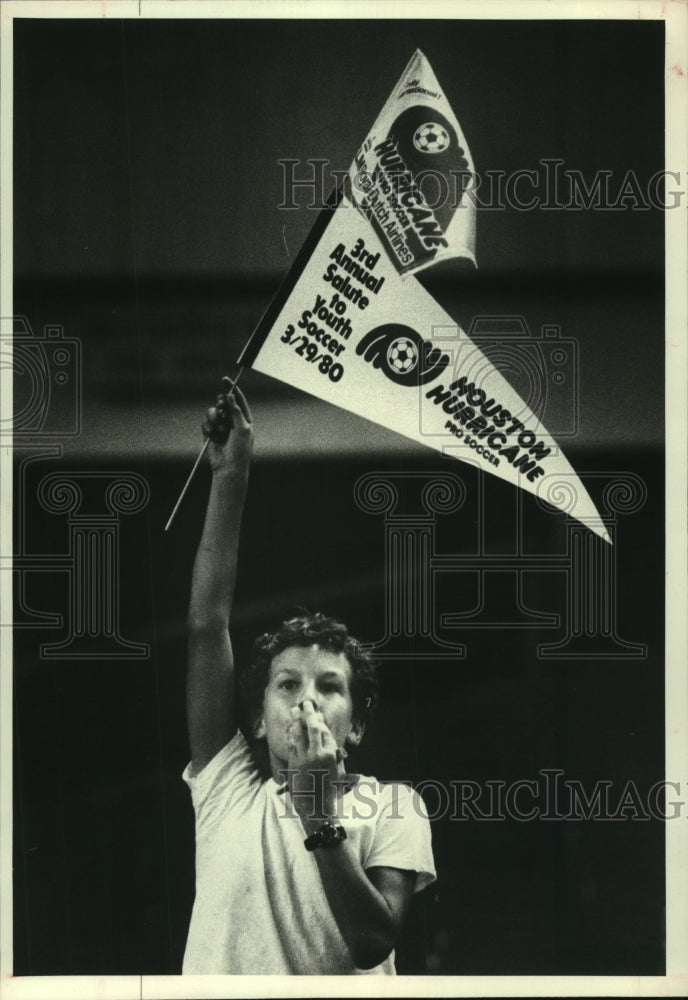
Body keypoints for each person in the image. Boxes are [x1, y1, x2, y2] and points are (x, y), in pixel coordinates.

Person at [182, 379, 436, 975]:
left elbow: (373, 941)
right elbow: (204, 627)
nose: (306, 702)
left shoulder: (393, 806)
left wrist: (316, 806)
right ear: (256, 721)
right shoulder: (227, 790)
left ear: (357, 724)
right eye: (287, 685)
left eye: (329, 686)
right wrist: (230, 478)